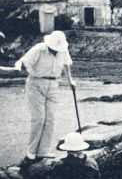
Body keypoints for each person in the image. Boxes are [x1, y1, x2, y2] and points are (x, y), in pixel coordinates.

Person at [14, 31, 76, 167]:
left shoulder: (63, 50)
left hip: (54, 84)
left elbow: (66, 64)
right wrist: (20, 66)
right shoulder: (39, 49)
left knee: (50, 119)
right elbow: (23, 61)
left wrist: (70, 80)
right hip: (36, 83)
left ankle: (43, 151)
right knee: (39, 118)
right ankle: (31, 153)